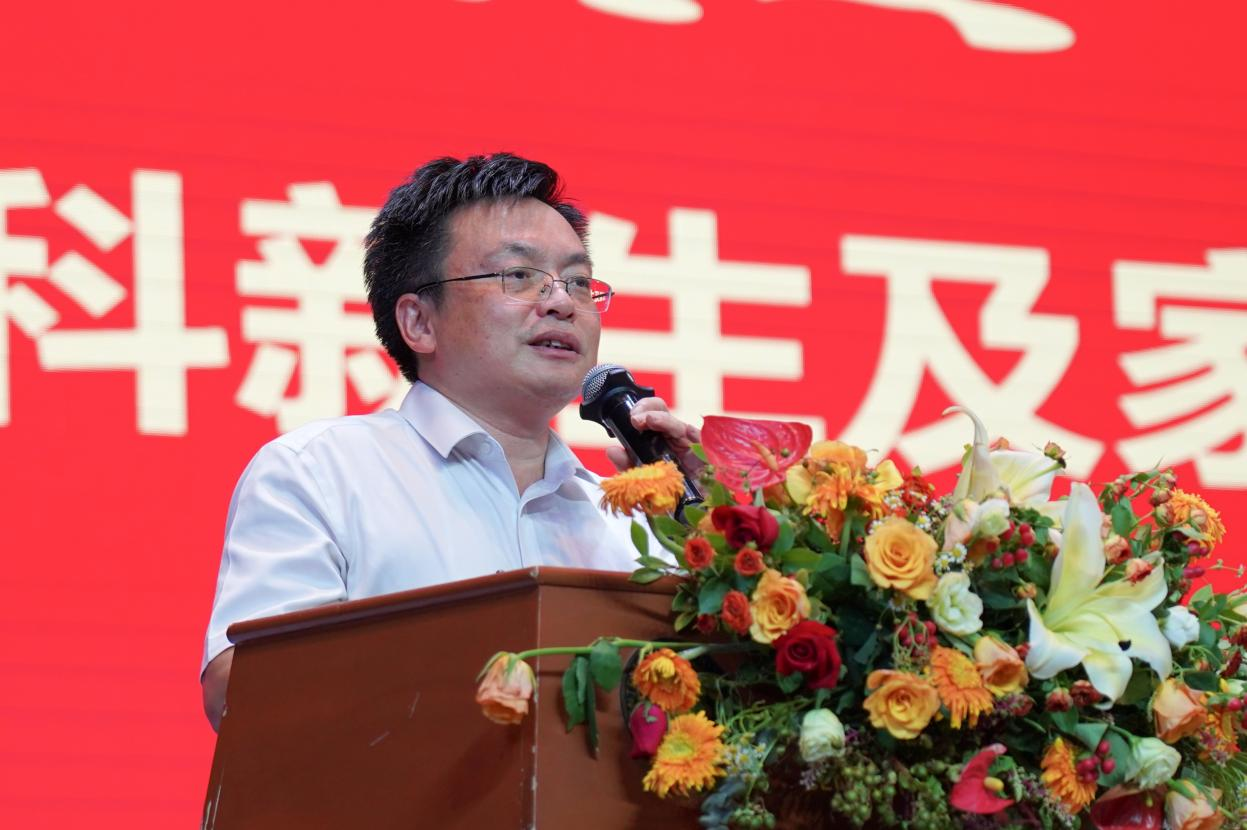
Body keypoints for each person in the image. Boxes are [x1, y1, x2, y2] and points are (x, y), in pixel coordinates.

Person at [200, 153, 700, 730]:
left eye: (579, 282)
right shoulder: (321, 473)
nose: (562, 302)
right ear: (419, 322)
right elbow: (243, 686)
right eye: (518, 276)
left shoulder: (627, 524)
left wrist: (711, 532)